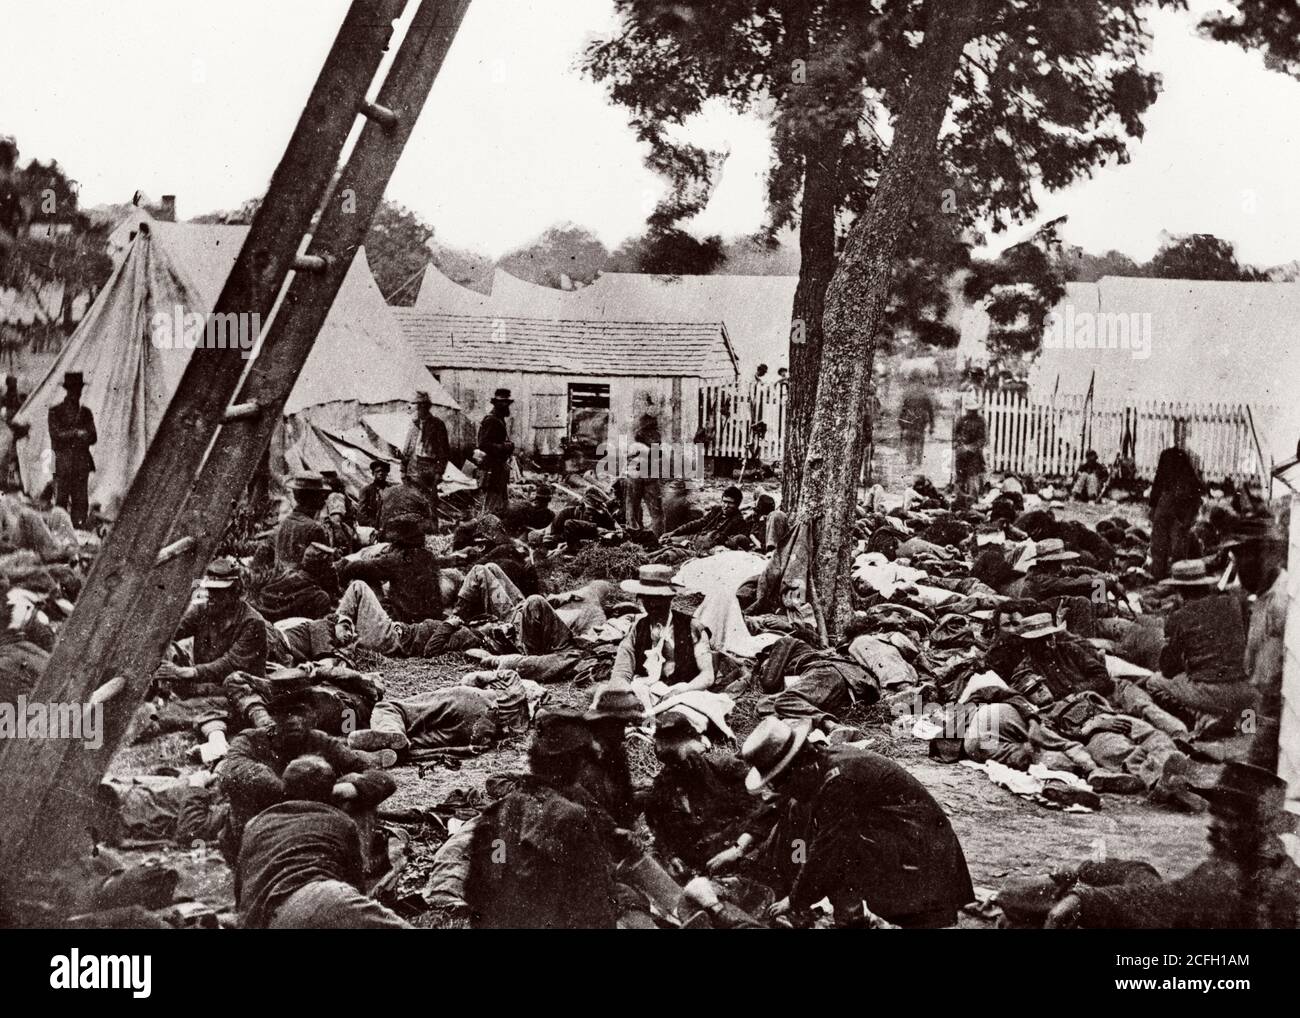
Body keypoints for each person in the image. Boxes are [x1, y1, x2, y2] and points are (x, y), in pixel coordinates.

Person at [738, 717, 974, 927]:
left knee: (837, 853)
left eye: (781, 781)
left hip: (923, 856)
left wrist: (795, 899)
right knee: (815, 830)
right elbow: (783, 811)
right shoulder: (823, 764)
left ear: (795, 768)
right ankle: (851, 917)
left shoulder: (837, 782)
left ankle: (853, 920)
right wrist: (741, 848)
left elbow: (827, 851)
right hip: (908, 844)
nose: (782, 788)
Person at [1045, 761, 1300, 928]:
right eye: (1215, 814)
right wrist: (1088, 874)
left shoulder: (1238, 879)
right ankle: (1087, 869)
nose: (1214, 825)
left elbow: (1161, 901)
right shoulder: (1267, 861)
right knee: (1138, 873)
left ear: (1259, 826)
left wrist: (1084, 900)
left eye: (1228, 818)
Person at [464, 710, 625, 928]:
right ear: (575, 763)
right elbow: (595, 904)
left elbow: (483, 886)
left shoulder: (496, 814)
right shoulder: (571, 817)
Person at [235, 755, 407, 928]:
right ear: (329, 792)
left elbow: (241, 886)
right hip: (315, 897)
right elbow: (354, 880)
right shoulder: (340, 821)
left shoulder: (255, 823)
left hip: (261, 915)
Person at [1144, 559, 1255, 731]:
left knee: (1154, 683)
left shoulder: (1180, 616)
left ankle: (1203, 717)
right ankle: (1244, 724)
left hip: (1211, 692)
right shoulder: (1234, 603)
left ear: (1179, 590)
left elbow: (1168, 669)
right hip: (1246, 688)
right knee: (1247, 721)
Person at [1220, 518, 1289, 770]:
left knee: (1248, 766)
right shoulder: (1261, 596)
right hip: (1259, 704)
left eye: (1245, 557)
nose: (1240, 568)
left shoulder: (1283, 601)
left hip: (1276, 713)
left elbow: (1273, 683)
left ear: (1268, 554)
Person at [155, 558, 269, 687]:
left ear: (234, 592)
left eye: (218, 591)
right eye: (209, 590)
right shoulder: (202, 610)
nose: (211, 595)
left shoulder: (252, 623)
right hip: (208, 684)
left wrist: (188, 672)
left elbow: (231, 664)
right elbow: (172, 632)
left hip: (242, 688)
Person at [609, 565, 713, 690]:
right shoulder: (637, 629)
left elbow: (707, 675)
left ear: (670, 597)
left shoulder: (692, 627)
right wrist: (628, 692)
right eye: (647, 598)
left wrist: (682, 690)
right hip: (645, 690)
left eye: (659, 598)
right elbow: (621, 673)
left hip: (685, 691)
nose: (653, 604)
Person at [337, 513, 445, 626]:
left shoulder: (397, 559)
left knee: (366, 578)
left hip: (405, 620)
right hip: (431, 619)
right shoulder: (429, 556)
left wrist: (343, 575)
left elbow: (356, 568)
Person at [1148, 424, 1202, 580]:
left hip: (1167, 503)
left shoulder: (1168, 458)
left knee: (1160, 544)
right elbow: (1196, 493)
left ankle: (1159, 575)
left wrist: (1153, 506)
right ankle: (1177, 577)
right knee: (1178, 544)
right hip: (1178, 507)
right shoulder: (1188, 472)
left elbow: (1158, 482)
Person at [47, 371, 96, 527]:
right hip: (63, 463)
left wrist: (82, 435)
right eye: (74, 389)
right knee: (61, 501)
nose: (77, 393)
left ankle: (78, 530)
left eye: (79, 389)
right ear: (68, 390)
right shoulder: (55, 411)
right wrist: (76, 433)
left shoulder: (86, 413)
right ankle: (59, 531)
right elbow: (56, 434)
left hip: (81, 464)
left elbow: (93, 436)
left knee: (81, 502)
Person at [401, 390, 449, 522]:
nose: (410, 407)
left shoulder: (437, 424)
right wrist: (403, 469)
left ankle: (432, 530)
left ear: (422, 406)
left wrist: (439, 472)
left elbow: (444, 452)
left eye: (413, 404)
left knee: (429, 504)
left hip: (429, 469)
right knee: (412, 503)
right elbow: (407, 449)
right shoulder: (413, 425)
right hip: (412, 468)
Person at [661, 485, 750, 551]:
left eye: (730, 503)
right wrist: (674, 532)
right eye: (724, 501)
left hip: (707, 547)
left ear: (737, 504)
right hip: (695, 538)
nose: (726, 506)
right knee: (665, 540)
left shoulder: (739, 522)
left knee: (670, 548)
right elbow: (699, 523)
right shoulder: (717, 510)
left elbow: (736, 543)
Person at [274, 472, 330, 569]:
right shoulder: (314, 529)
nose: (324, 500)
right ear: (313, 498)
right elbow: (323, 569)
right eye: (321, 495)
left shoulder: (285, 522)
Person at [378, 456, 439, 537]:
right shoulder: (392, 492)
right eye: (402, 472)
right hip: (400, 537)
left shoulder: (425, 493)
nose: (403, 476)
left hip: (402, 536)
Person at [624, 414, 665, 536]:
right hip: (649, 476)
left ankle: (634, 535)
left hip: (635, 475)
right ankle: (657, 538)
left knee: (632, 509)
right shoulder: (656, 436)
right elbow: (658, 455)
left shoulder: (638, 437)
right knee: (656, 512)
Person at [477, 388, 515, 515]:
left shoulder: (499, 419)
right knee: (492, 503)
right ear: (496, 404)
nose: (505, 405)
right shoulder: (491, 420)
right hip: (492, 467)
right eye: (502, 403)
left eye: (507, 403)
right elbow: (483, 444)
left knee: (501, 502)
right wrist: (504, 447)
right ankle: (487, 521)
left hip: (499, 467)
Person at [952, 393, 986, 496]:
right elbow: (955, 435)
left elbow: (982, 439)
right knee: (960, 474)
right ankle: (959, 496)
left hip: (974, 453)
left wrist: (971, 447)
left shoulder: (980, 421)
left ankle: (972, 497)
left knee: (973, 475)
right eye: (969, 410)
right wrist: (959, 445)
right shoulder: (961, 420)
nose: (971, 412)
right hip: (961, 452)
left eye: (973, 410)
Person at [898, 385, 935, 469]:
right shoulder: (925, 398)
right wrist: (931, 427)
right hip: (920, 426)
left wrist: (902, 427)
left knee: (910, 444)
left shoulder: (908, 397)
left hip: (910, 426)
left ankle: (910, 463)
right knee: (919, 444)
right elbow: (931, 414)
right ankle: (917, 464)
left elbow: (902, 414)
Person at [356, 459, 390, 529]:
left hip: (389, 525)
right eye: (377, 471)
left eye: (383, 471)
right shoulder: (366, 490)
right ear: (373, 473)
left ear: (387, 473)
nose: (381, 473)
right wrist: (375, 525)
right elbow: (361, 515)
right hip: (372, 527)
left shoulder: (392, 489)